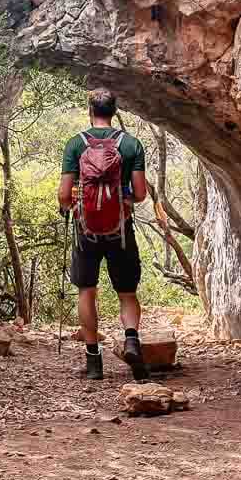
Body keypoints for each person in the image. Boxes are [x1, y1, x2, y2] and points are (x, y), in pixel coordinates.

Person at [58, 87, 149, 380]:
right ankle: (132, 340)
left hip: (86, 230)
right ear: (114, 111)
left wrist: (75, 203)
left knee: (87, 290)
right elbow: (140, 193)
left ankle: (94, 362)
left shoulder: (76, 145)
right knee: (126, 292)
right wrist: (122, 201)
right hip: (119, 229)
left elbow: (63, 195)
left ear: (90, 111)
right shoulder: (131, 144)